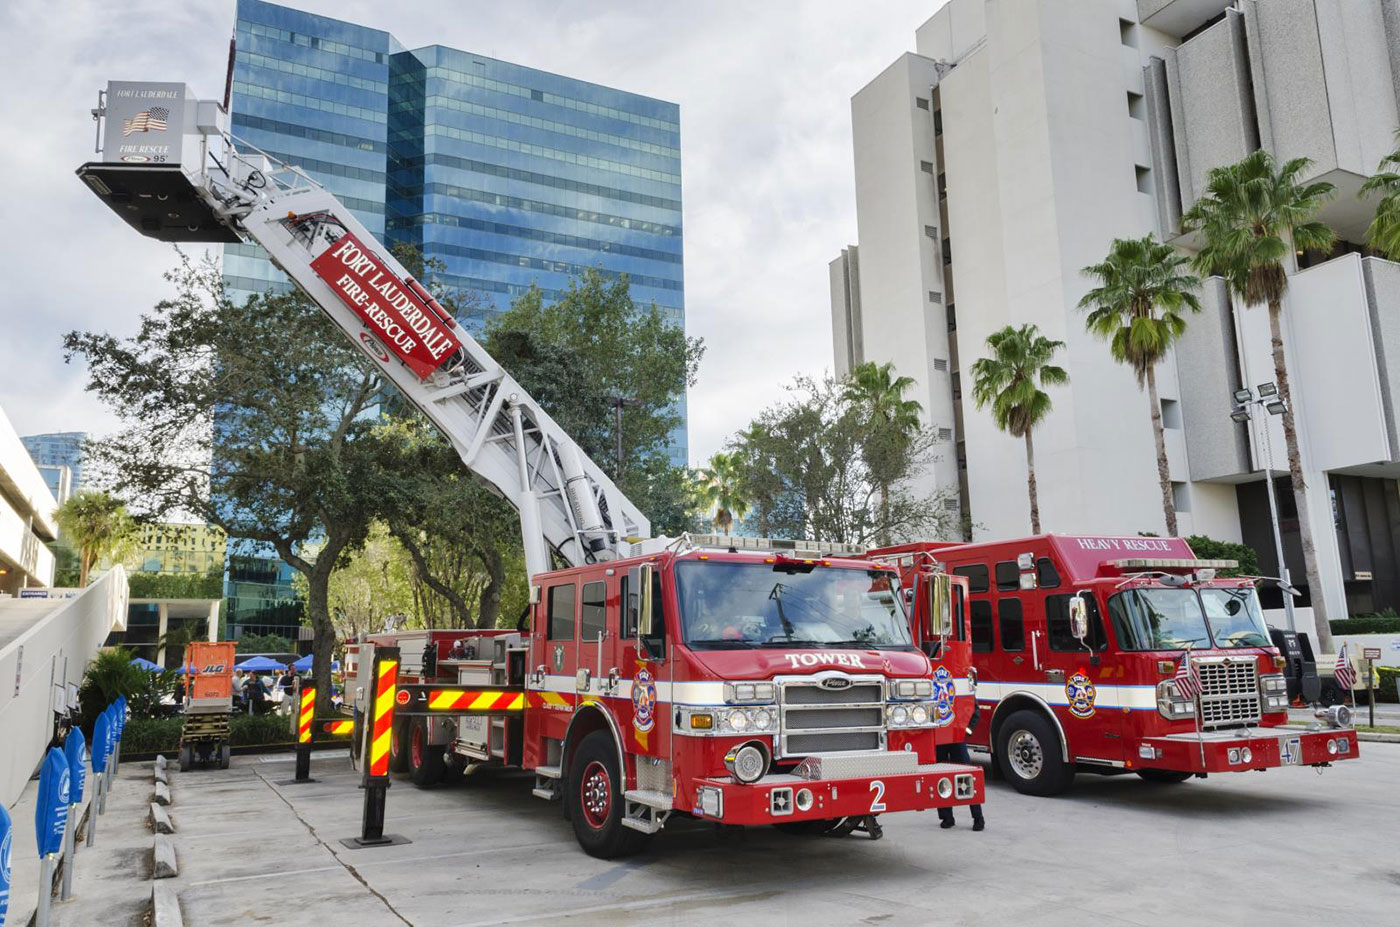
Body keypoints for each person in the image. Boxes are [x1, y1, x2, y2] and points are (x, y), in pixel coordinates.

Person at [937, 702, 985, 831]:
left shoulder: (958, 684)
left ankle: (978, 817)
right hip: (939, 737)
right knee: (941, 778)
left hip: (956, 736)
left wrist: (967, 729)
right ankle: (947, 817)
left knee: (966, 777)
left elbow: (974, 709)